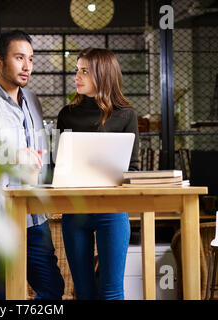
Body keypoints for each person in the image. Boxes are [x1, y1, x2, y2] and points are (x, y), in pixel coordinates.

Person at [0, 30, 64, 300]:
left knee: (52, 290)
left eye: (30, 58)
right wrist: (13, 155)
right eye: (19, 58)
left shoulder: (33, 101)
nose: (27, 66)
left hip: (33, 216)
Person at [57, 47, 139, 300]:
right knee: (83, 292)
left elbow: (132, 168)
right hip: (75, 211)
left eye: (84, 71)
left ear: (102, 75)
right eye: (77, 70)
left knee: (112, 292)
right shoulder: (67, 115)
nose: (77, 77)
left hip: (112, 211)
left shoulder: (126, 115)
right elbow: (58, 166)